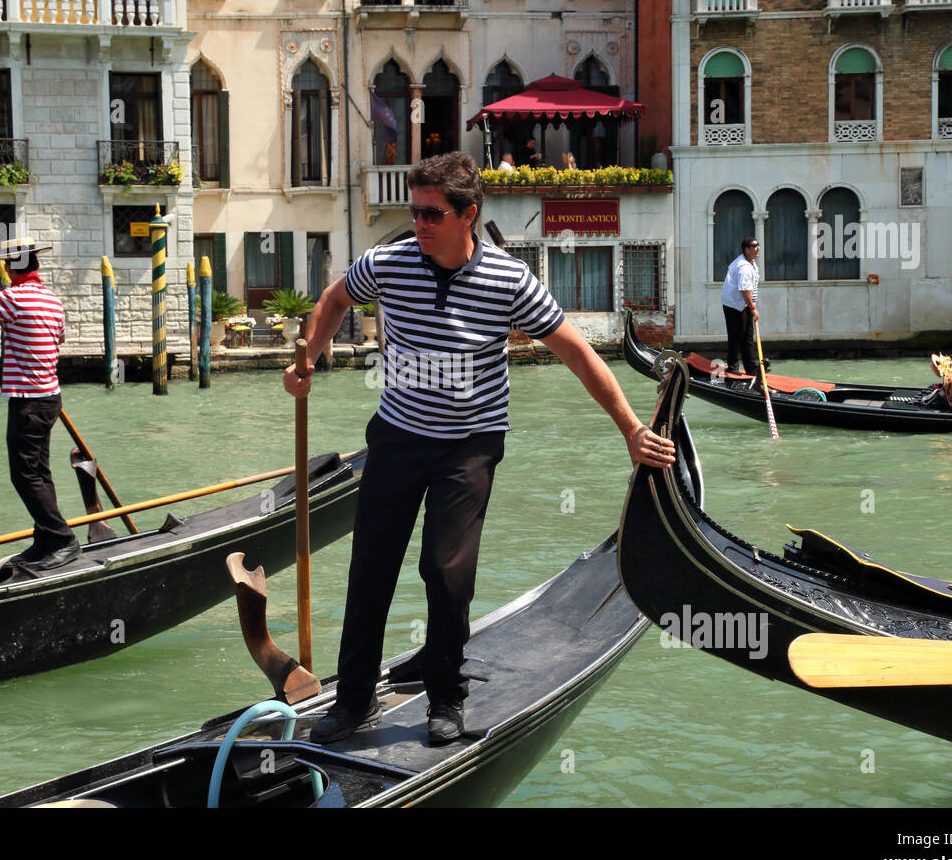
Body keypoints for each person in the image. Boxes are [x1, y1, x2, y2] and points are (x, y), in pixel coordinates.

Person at [284, 152, 676, 746]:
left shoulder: (509, 280)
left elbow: (576, 352)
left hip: (469, 444)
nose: (418, 224)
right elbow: (336, 298)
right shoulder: (389, 263)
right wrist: (310, 357)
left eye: (431, 214)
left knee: (446, 572)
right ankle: (354, 699)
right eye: (414, 212)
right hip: (397, 435)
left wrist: (629, 431)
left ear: (469, 215)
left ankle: (446, 697)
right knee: (371, 568)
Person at [0, 237, 79, 571]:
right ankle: (45, 539)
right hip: (49, 399)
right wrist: (8, 313)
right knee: (38, 471)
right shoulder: (51, 300)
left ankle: (62, 539)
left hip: (27, 400)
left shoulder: (12, 297)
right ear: (36, 265)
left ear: (9, 268)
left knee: (24, 475)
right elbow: (59, 337)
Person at [721, 238, 760, 377]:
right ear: (746, 249)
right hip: (734, 305)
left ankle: (751, 368)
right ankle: (732, 367)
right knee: (736, 336)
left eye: (758, 245)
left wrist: (751, 307)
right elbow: (744, 290)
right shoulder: (743, 267)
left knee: (748, 336)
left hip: (743, 304)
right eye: (754, 246)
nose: (758, 248)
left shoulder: (751, 263)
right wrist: (753, 308)